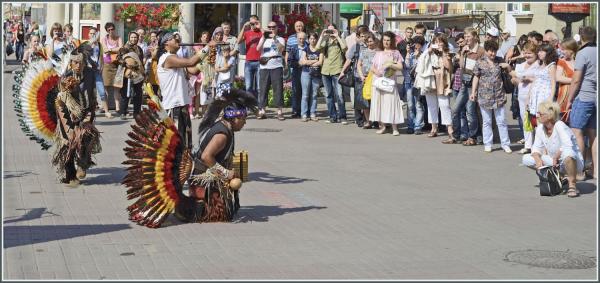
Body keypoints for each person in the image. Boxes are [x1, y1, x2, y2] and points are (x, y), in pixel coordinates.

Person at [123, 87, 257, 227]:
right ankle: (190, 209)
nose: (245, 123)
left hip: (202, 172)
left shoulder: (225, 127)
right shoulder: (222, 135)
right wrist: (225, 173)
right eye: (244, 119)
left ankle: (188, 207)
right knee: (219, 213)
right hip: (202, 175)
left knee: (226, 211)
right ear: (235, 118)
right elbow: (206, 156)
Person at [52, 48, 102, 187]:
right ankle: (70, 175)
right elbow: (61, 99)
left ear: (85, 63)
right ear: (71, 63)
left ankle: (83, 164)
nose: (78, 65)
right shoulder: (65, 77)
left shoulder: (91, 74)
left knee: (87, 136)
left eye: (81, 62)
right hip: (66, 113)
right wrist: (71, 114)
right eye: (75, 62)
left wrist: (93, 108)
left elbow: (93, 93)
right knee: (68, 144)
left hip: (86, 111)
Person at [522, 101, 584, 197]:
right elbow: (535, 149)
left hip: (574, 162)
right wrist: (538, 160)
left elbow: (567, 145)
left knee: (568, 153)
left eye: (540, 113)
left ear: (549, 116)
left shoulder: (559, 125)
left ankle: (572, 185)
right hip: (556, 163)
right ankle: (559, 177)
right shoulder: (540, 128)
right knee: (526, 159)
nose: (537, 115)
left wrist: (555, 157)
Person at [157, 32, 207, 150]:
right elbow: (190, 62)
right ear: (166, 44)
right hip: (173, 107)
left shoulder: (176, 59)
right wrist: (207, 48)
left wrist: (205, 60)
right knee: (175, 146)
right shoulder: (167, 58)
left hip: (182, 105)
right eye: (173, 38)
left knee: (185, 144)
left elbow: (193, 70)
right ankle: (175, 168)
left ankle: (184, 167)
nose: (176, 40)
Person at [469, 40, 512, 153]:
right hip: (484, 96)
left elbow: (510, 74)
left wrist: (507, 66)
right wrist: (473, 92)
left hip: (499, 95)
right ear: (486, 51)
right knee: (487, 121)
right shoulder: (480, 62)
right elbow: (476, 77)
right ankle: (488, 143)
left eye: (494, 51)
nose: (493, 54)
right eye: (490, 51)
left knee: (501, 121)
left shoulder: (500, 61)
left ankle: (505, 144)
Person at [566, 26, 596, 180]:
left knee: (576, 132)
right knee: (594, 134)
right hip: (596, 97)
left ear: (581, 38)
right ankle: (596, 170)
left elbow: (576, 79)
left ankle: (579, 170)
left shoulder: (582, 53)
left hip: (584, 97)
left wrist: (570, 99)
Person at [415, 35, 453, 139]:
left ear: (444, 43)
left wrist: (444, 54)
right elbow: (420, 62)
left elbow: (449, 68)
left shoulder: (447, 53)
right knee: (431, 105)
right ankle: (433, 128)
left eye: (440, 41)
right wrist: (429, 51)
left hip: (443, 80)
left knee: (444, 105)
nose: (438, 44)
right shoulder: (429, 53)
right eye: (436, 41)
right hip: (430, 79)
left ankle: (450, 129)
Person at [368, 31, 404, 136]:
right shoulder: (378, 53)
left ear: (391, 41)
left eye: (388, 40)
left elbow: (400, 67)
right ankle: (382, 126)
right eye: (384, 40)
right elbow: (372, 67)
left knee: (391, 103)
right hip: (378, 80)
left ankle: (394, 128)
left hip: (390, 81)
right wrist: (377, 72)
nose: (386, 42)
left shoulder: (395, 52)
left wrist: (391, 64)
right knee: (379, 103)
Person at [452, 27, 483, 146]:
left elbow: (480, 70)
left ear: (475, 37)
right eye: (465, 37)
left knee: (470, 112)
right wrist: (462, 54)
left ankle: (473, 136)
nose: (466, 39)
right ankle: (456, 135)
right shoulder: (465, 49)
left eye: (469, 36)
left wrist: (475, 90)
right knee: (455, 109)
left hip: (473, 85)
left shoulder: (480, 51)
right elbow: (461, 67)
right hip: (464, 84)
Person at [510, 42, 541, 154]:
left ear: (536, 53)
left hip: (534, 96)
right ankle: (528, 145)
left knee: (536, 121)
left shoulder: (538, 65)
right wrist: (518, 79)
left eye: (530, 53)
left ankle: (538, 146)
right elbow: (515, 78)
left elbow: (539, 79)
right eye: (525, 53)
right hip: (522, 96)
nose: (527, 55)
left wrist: (527, 78)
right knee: (525, 121)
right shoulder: (521, 65)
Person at [317, 24, 348, 124]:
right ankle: (332, 116)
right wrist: (322, 36)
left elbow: (345, 48)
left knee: (339, 95)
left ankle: (342, 117)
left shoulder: (340, 40)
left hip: (337, 70)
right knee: (328, 95)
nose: (330, 33)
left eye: (332, 30)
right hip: (325, 71)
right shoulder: (325, 41)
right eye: (328, 30)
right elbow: (317, 48)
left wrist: (337, 36)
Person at [340, 25, 369, 127]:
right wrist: (342, 71)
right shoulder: (355, 46)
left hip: (369, 76)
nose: (364, 38)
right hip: (357, 75)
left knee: (368, 98)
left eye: (365, 36)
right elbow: (348, 60)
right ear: (358, 36)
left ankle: (368, 119)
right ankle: (359, 119)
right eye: (361, 36)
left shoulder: (372, 45)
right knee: (358, 99)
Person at [256, 21, 286, 120]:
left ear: (277, 28)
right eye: (269, 27)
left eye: (273, 27)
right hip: (264, 66)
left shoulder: (280, 38)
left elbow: (281, 49)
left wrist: (274, 39)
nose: (271, 29)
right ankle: (262, 111)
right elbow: (258, 49)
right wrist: (264, 37)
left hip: (276, 66)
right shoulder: (263, 38)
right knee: (263, 89)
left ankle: (279, 111)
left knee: (278, 89)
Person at [527, 44, 558, 135]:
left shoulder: (551, 65)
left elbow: (553, 83)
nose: (539, 53)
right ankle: (538, 144)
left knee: (544, 120)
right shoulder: (539, 64)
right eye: (538, 51)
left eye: (541, 51)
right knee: (536, 121)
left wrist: (550, 99)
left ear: (548, 53)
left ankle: (543, 145)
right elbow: (534, 81)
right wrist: (528, 96)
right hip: (535, 96)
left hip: (544, 96)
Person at [118, 32, 145, 120]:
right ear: (129, 38)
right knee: (125, 93)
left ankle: (136, 113)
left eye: (135, 37)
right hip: (127, 73)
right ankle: (123, 112)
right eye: (132, 37)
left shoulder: (139, 49)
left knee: (138, 93)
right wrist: (126, 64)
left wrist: (141, 70)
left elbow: (141, 61)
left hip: (138, 73)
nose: (134, 39)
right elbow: (118, 59)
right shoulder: (124, 48)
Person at [86, 27, 112, 118]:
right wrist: (91, 44)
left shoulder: (99, 45)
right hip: (88, 70)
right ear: (88, 34)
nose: (93, 35)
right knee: (88, 91)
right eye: (91, 33)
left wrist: (102, 66)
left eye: (94, 33)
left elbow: (101, 57)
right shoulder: (86, 44)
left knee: (102, 91)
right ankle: (87, 111)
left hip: (97, 71)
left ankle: (106, 111)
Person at [357, 33, 380, 129]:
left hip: (375, 78)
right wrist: (361, 76)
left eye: (371, 41)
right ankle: (368, 121)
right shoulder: (363, 52)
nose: (369, 43)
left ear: (374, 41)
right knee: (365, 101)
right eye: (367, 41)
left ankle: (378, 122)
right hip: (365, 78)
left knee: (376, 101)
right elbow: (359, 64)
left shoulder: (378, 52)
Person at [403, 35, 425, 135]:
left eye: (418, 45)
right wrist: (408, 53)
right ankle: (410, 125)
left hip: (419, 83)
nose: (416, 47)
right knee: (410, 105)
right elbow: (406, 66)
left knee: (418, 105)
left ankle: (417, 126)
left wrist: (418, 57)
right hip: (408, 82)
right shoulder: (409, 54)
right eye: (414, 45)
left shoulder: (423, 55)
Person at [299, 32, 323, 122]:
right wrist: (314, 60)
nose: (312, 40)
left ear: (316, 40)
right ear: (308, 40)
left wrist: (309, 61)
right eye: (311, 39)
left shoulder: (319, 50)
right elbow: (303, 62)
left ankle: (313, 113)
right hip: (306, 73)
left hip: (316, 74)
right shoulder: (305, 49)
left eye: (314, 39)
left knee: (314, 94)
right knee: (305, 95)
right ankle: (304, 114)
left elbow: (320, 62)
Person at [237, 15, 262, 99]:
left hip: (259, 61)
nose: (253, 25)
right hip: (249, 62)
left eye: (255, 23)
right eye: (251, 23)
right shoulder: (247, 33)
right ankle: (249, 106)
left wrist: (260, 26)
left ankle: (260, 106)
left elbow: (268, 36)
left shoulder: (261, 32)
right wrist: (244, 27)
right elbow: (238, 41)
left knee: (259, 87)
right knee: (248, 87)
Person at [100, 22, 123, 113]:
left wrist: (111, 50)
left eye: (112, 29)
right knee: (105, 87)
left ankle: (117, 107)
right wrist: (115, 50)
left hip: (117, 64)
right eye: (108, 30)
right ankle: (104, 107)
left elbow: (121, 48)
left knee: (116, 86)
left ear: (114, 29)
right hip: (107, 65)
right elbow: (105, 50)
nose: (110, 31)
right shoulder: (104, 39)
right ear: (106, 30)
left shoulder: (119, 38)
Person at [285, 21, 306, 118]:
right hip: (295, 69)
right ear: (295, 27)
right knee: (295, 90)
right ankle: (295, 110)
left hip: (305, 70)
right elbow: (287, 53)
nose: (299, 27)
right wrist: (287, 65)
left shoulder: (307, 39)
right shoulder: (290, 39)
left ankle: (303, 110)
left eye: (300, 26)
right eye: (297, 26)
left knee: (304, 91)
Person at [555, 38, 579, 121]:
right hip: (564, 96)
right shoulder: (561, 61)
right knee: (562, 121)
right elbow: (558, 78)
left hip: (577, 95)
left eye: (564, 49)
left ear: (571, 50)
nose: (561, 51)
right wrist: (576, 81)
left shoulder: (579, 61)